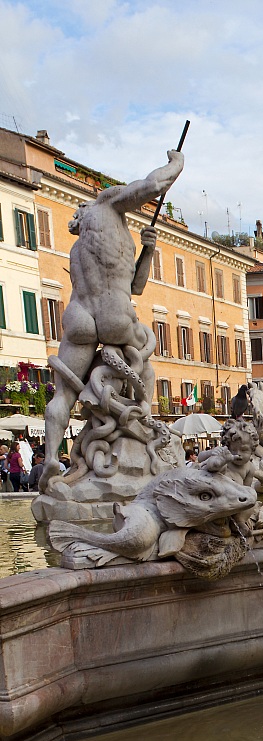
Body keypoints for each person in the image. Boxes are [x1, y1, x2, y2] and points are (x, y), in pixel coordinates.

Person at [41, 147, 185, 489]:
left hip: (78, 315)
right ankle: (145, 425)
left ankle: (49, 461)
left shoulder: (78, 249)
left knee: (63, 395)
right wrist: (176, 164)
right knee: (144, 363)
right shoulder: (106, 203)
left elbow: (136, 282)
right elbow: (151, 187)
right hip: (113, 312)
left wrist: (147, 249)